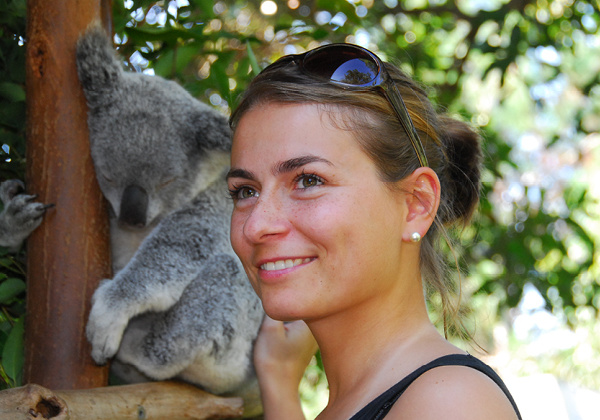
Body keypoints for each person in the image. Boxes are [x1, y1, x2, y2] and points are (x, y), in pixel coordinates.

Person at [226, 43, 522, 420]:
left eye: (308, 180)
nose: (256, 225)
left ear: (415, 204)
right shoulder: (365, 403)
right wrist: (279, 381)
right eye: (245, 191)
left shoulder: (449, 404)